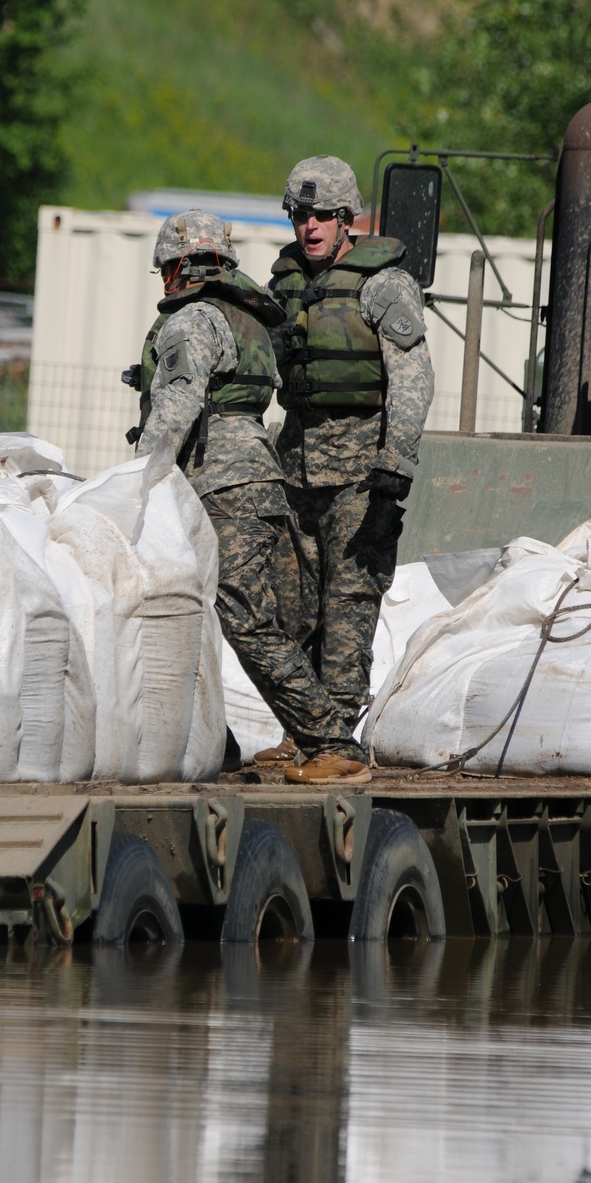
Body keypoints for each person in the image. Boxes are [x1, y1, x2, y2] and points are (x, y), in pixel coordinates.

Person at [134, 210, 370, 783]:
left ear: (175, 267)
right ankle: (218, 739)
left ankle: (328, 743)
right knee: (208, 614)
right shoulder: (248, 317)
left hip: (221, 484)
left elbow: (175, 409)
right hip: (258, 479)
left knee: (245, 619)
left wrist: (135, 483)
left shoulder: (192, 320)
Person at [266, 155, 435, 784]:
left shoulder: (384, 285)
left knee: (349, 604)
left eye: (324, 216)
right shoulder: (282, 285)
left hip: (361, 473)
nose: (310, 226)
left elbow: (413, 378)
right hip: (294, 467)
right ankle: (302, 731)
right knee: (291, 606)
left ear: (348, 219)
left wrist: (396, 467)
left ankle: (337, 741)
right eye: (301, 214)